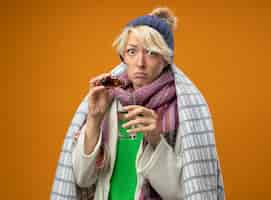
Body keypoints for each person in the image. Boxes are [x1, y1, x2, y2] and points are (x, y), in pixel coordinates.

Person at [51, 7, 225, 200]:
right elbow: (83, 179)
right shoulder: (109, 100)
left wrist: (155, 139)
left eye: (151, 53)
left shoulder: (182, 109)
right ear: (123, 56)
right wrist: (94, 118)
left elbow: (181, 193)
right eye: (132, 51)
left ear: (166, 59)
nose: (140, 63)